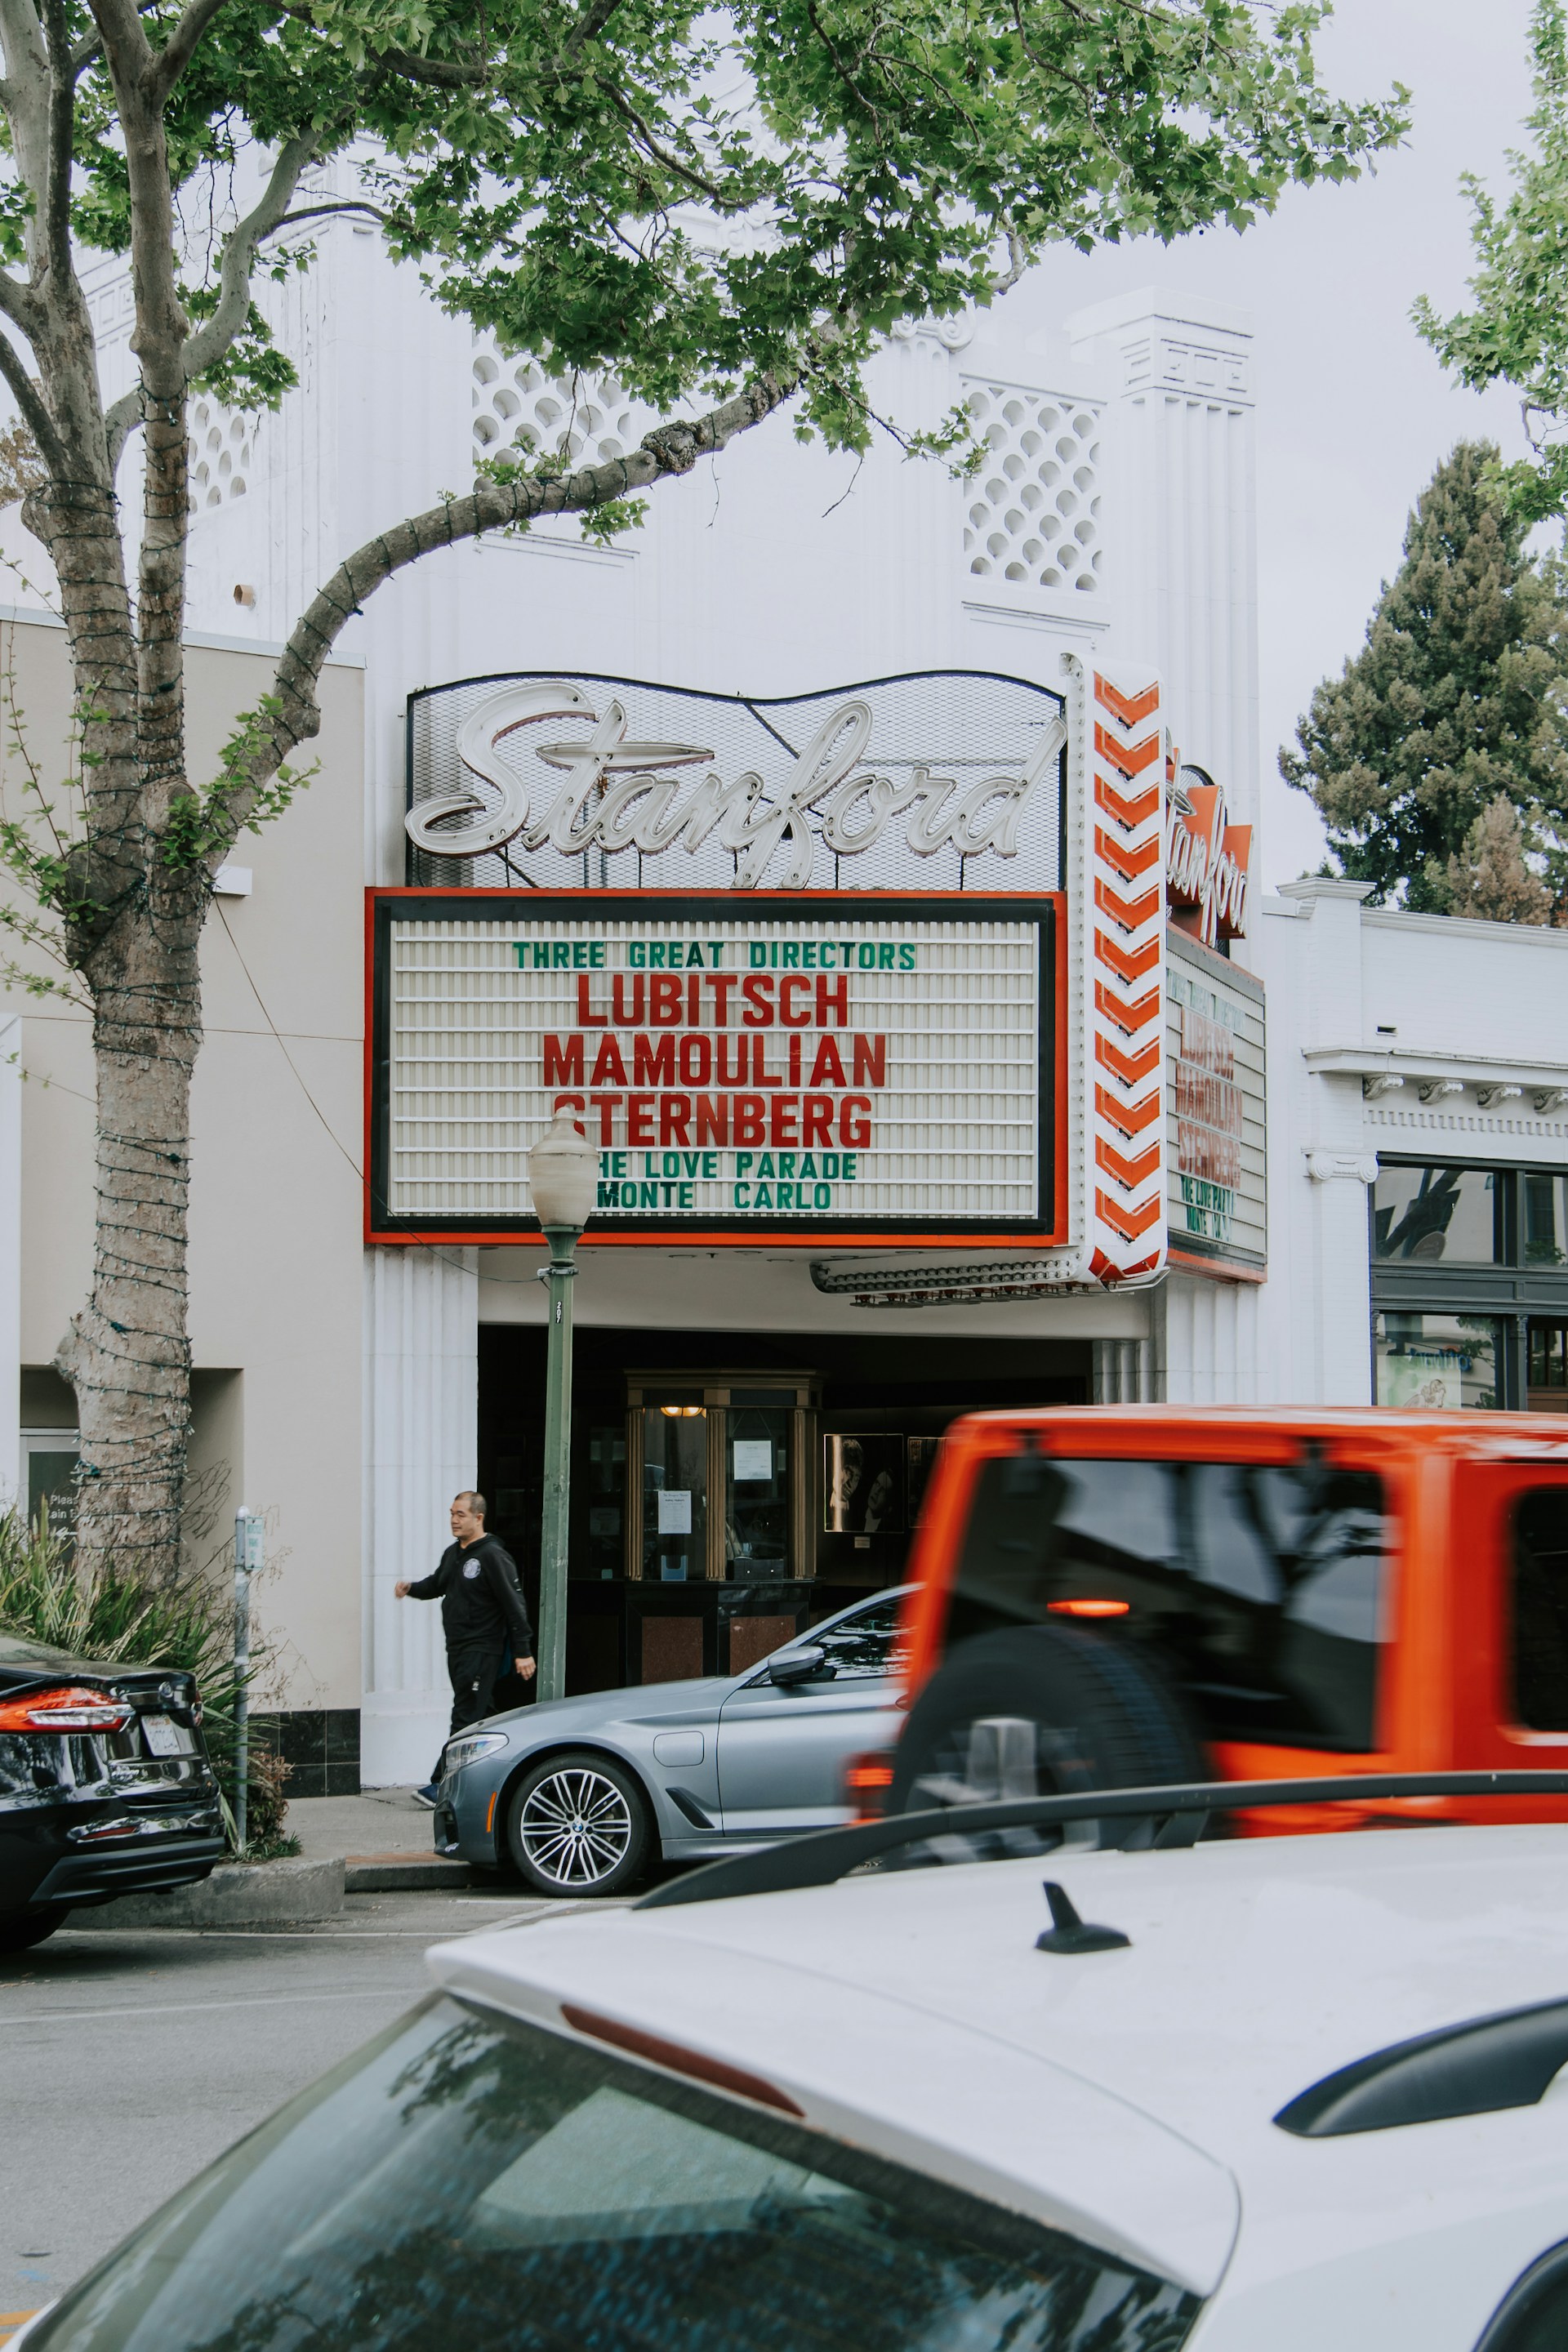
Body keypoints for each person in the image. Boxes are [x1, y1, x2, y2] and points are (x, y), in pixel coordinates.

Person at [396, 1491, 536, 1807]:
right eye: (451, 1514)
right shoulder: (453, 1554)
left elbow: (514, 1605)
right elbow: (437, 1584)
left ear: (478, 1518)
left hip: (482, 1648)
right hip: (457, 1648)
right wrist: (411, 1589)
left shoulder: (492, 1556)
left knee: (465, 1716)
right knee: (483, 1716)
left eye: (460, 1514)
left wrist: (522, 1650)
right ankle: (508, 1774)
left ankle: (440, 1785)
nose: (454, 1520)